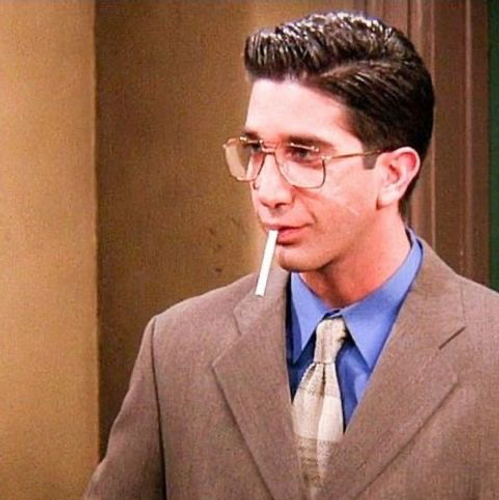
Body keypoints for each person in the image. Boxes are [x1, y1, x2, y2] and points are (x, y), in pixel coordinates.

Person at [84, 10, 499, 500]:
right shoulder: (177, 348)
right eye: (256, 149)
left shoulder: (489, 352)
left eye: (303, 153)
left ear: (393, 174)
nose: (267, 190)